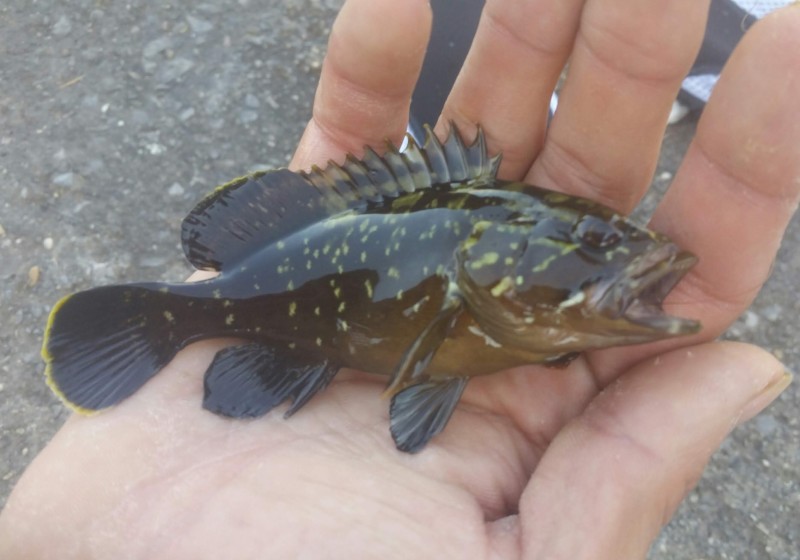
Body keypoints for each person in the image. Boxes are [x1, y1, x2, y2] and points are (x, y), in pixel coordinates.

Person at [1, 0, 798, 557]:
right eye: (596, 242)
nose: (623, 258)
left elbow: (428, 395)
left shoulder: (492, 304)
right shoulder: (481, 305)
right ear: (496, 253)